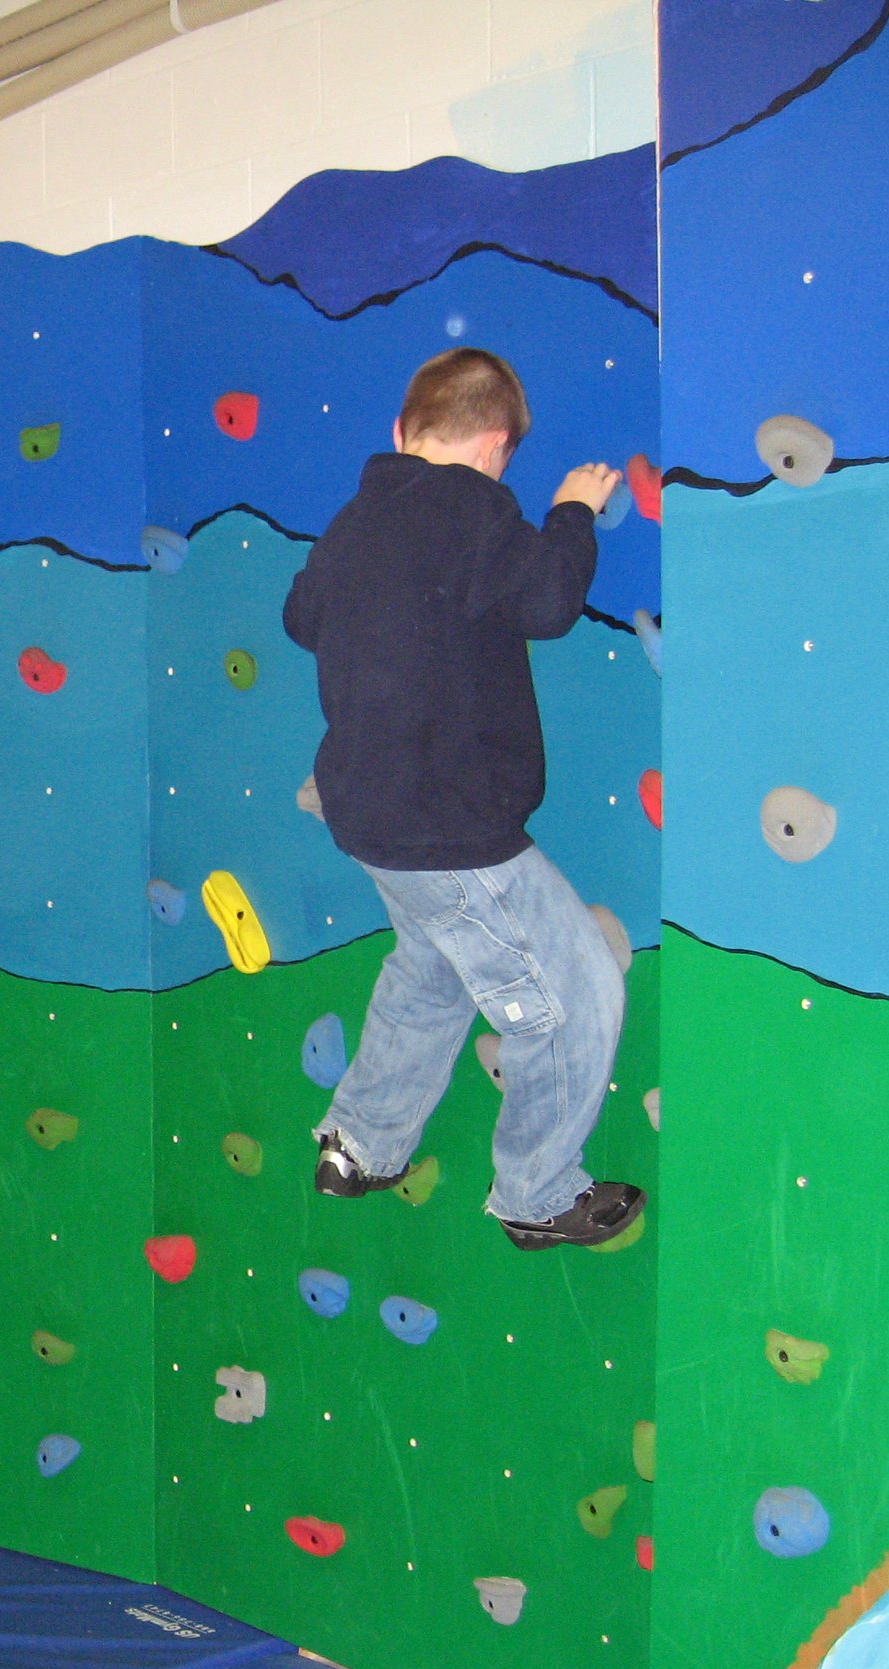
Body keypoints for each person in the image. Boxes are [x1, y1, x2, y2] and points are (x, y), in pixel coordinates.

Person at [283, 347, 643, 1250]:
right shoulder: (476, 509)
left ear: (401, 433)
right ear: (494, 447)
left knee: (434, 969)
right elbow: (552, 599)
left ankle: (360, 1143)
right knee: (574, 992)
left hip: (364, 811)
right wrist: (572, 510)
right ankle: (538, 1190)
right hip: (449, 825)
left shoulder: (357, 518)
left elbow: (300, 617)